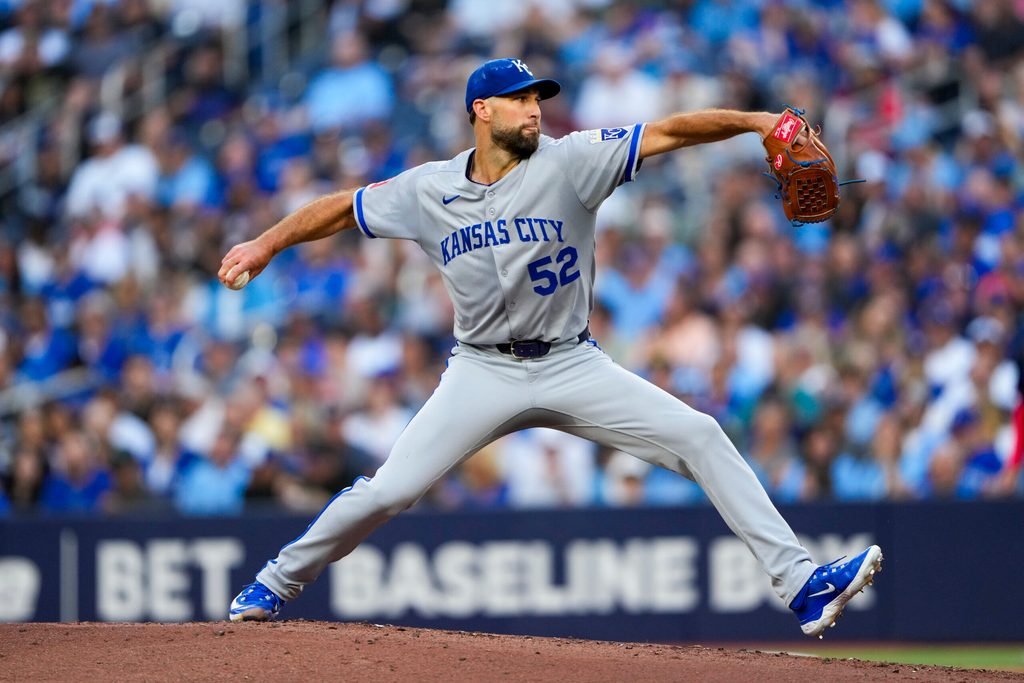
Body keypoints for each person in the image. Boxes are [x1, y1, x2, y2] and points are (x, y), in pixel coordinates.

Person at [220, 58, 882, 637]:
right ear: (483, 110)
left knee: (701, 434)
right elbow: (343, 206)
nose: (536, 109)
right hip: (480, 368)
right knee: (388, 491)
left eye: (539, 98)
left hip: (572, 361)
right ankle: (274, 583)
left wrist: (756, 119)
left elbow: (670, 131)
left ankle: (801, 583)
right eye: (521, 99)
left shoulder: (571, 159)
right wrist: (265, 243)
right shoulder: (429, 189)